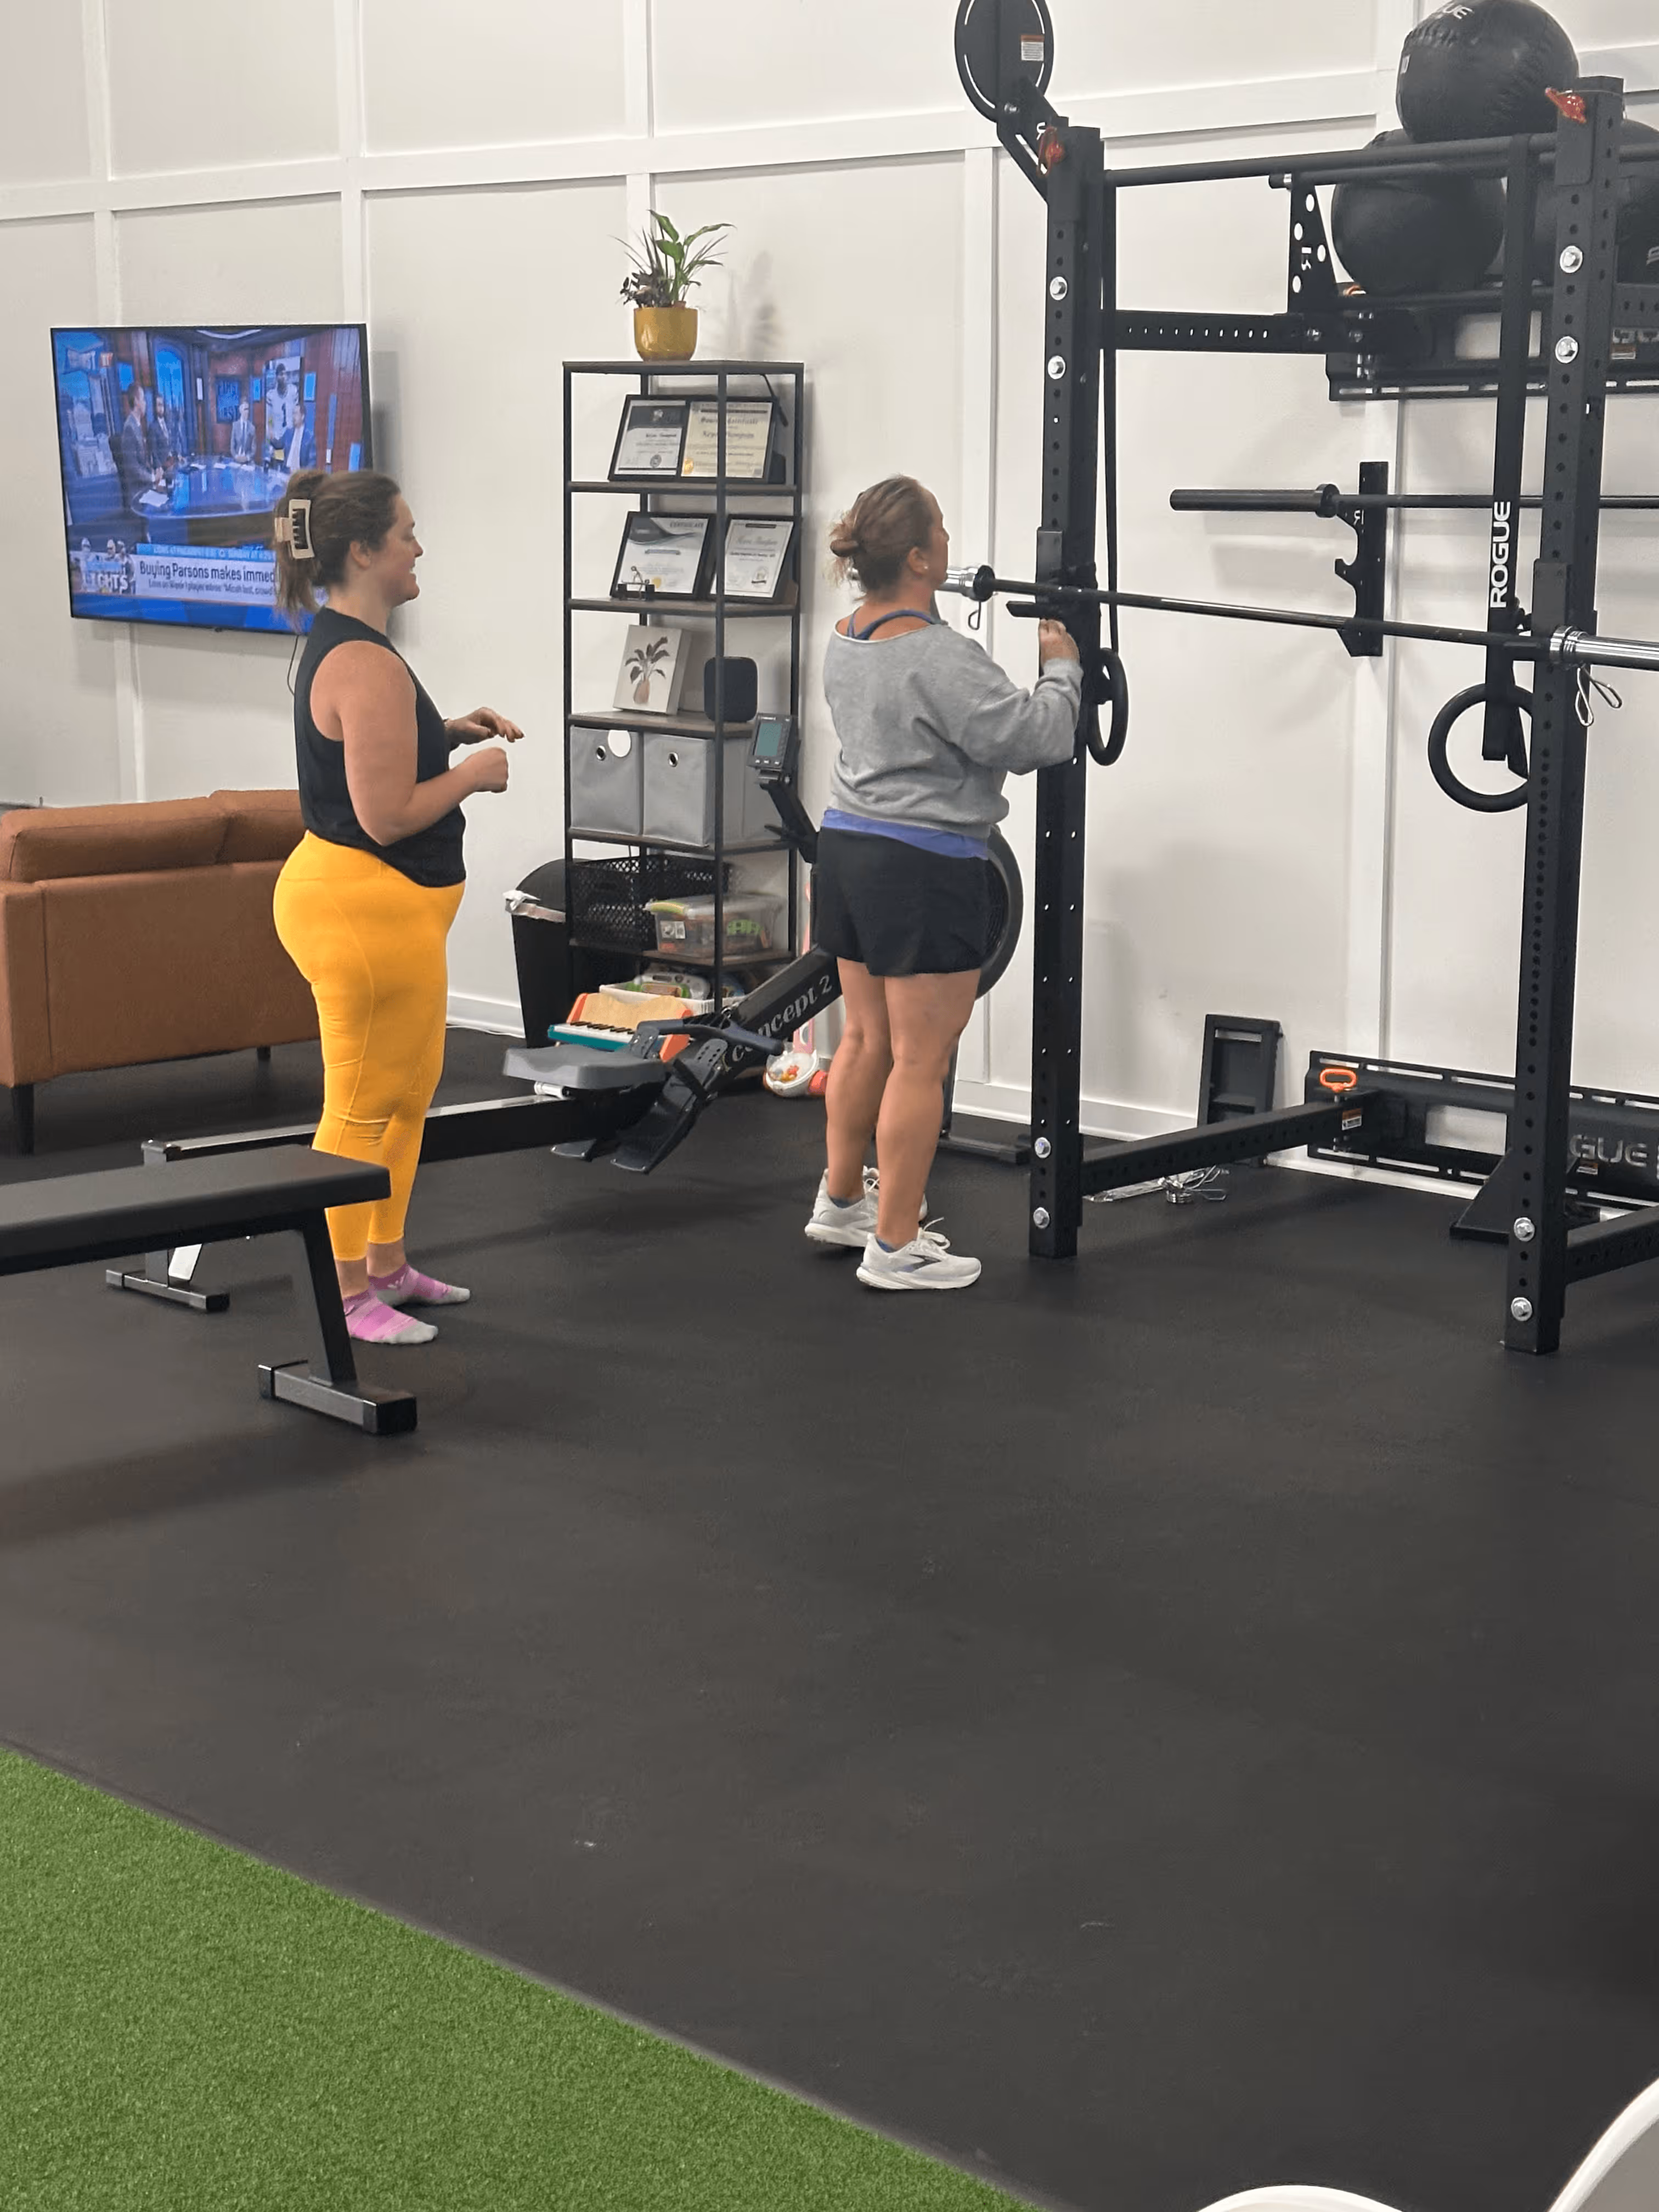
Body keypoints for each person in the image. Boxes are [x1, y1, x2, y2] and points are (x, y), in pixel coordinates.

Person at [805, 475, 1081, 1291]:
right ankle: (894, 1247)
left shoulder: (846, 636)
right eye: (944, 530)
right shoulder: (940, 656)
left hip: (848, 851)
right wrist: (1061, 667)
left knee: (862, 1040)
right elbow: (1036, 736)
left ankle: (841, 1201)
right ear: (921, 559)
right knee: (921, 1062)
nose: (954, 541)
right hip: (921, 865)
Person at [269, 469, 526, 1346]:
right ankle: (345, 1295)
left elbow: (369, 762)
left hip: (388, 911)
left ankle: (385, 1265)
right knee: (361, 1103)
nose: (420, 548)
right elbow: (384, 816)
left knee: (409, 1094)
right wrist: (469, 776)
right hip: (360, 911)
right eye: (407, 534)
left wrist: (441, 733)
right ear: (364, 551)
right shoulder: (363, 662)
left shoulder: (350, 648)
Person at [264, 364, 296, 464]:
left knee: (288, 463)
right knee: (277, 461)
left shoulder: (293, 391)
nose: (284, 377)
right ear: (277, 377)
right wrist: (270, 431)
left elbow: (296, 412)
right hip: (277, 436)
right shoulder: (271, 395)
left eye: (285, 374)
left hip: (289, 434)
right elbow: (269, 417)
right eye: (281, 374)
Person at [147, 394, 178, 482]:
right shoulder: (153, 427)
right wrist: (159, 469)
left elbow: (171, 444)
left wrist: (177, 456)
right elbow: (153, 451)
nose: (161, 408)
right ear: (155, 407)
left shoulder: (168, 424)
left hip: (172, 464)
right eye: (159, 405)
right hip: (162, 468)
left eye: (162, 405)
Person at [230, 397, 256, 464]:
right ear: (241, 411)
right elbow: (232, 446)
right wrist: (236, 457)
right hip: (236, 460)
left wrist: (247, 458)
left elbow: (254, 449)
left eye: (248, 409)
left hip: (247, 462)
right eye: (245, 409)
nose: (247, 412)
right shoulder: (235, 426)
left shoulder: (252, 428)